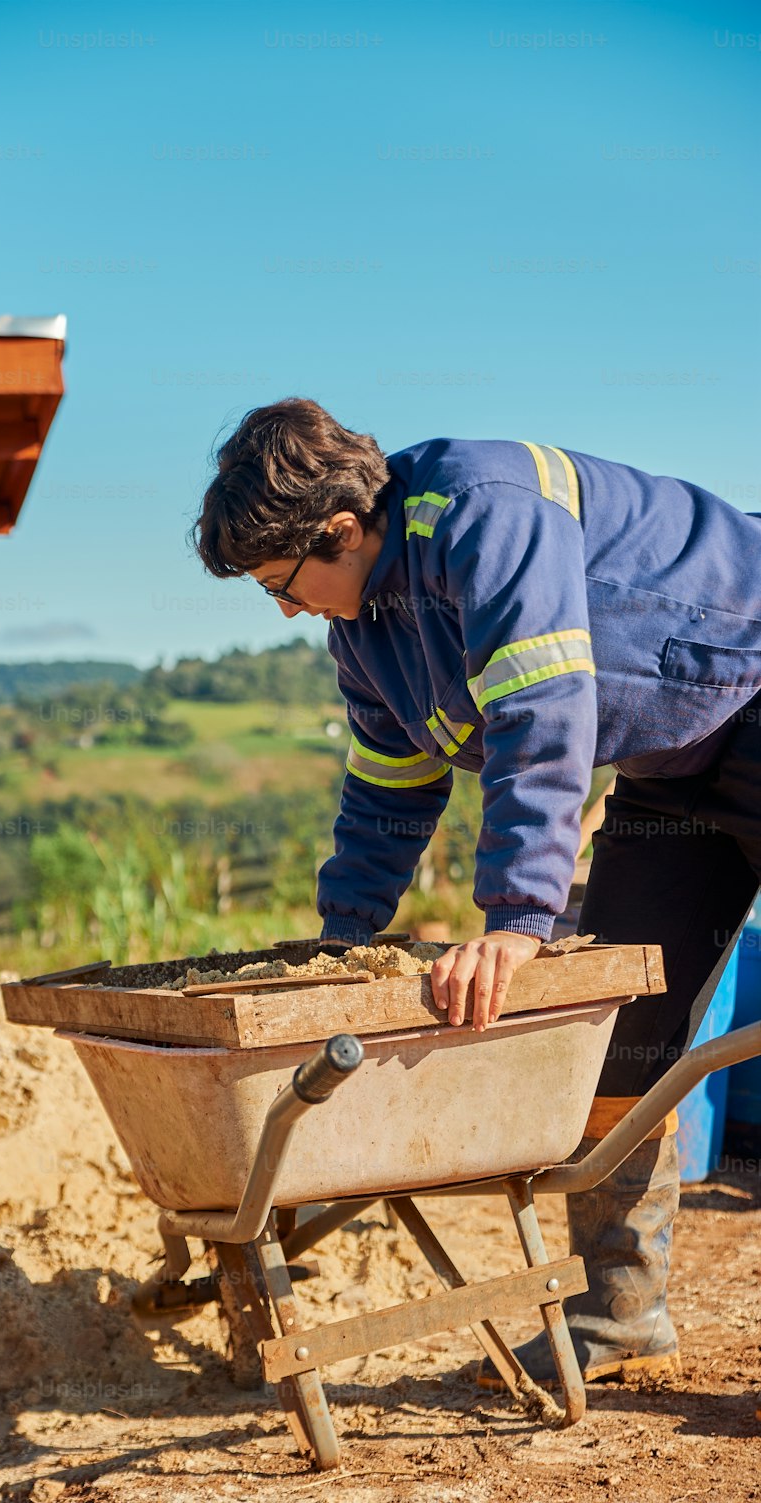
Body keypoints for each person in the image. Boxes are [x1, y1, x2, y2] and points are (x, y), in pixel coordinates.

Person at [193, 396, 761, 1388]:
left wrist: (515, 923)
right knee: (620, 1035)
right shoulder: (366, 632)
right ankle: (617, 1318)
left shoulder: (480, 510)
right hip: (671, 768)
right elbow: (384, 796)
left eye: (283, 585)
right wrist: (338, 951)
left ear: (339, 529)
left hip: (749, 691)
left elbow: (539, 714)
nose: (285, 609)